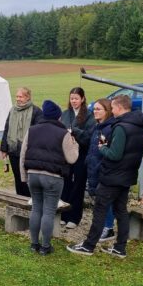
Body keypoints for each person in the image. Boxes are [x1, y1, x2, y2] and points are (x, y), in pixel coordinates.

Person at [67, 95, 143, 259]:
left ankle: (88, 246)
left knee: (99, 211)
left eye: (113, 107)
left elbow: (115, 154)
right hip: (127, 175)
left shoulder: (121, 127)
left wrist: (103, 147)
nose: (112, 110)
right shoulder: (139, 127)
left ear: (119, 107)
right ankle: (120, 248)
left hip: (112, 176)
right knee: (121, 212)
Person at [20, 100, 79, 256]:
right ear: (58, 117)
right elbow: (72, 158)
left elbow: (23, 154)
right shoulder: (64, 133)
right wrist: (75, 145)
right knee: (49, 211)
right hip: (53, 177)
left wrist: (24, 176)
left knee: (36, 208)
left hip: (33, 174)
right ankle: (45, 246)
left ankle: (34, 243)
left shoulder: (32, 130)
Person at [59, 87, 96, 229]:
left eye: (76, 98)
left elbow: (89, 136)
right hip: (66, 154)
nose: (73, 101)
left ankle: (75, 217)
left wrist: (74, 131)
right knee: (65, 184)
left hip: (82, 155)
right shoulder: (65, 114)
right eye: (71, 98)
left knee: (78, 185)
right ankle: (63, 214)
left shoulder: (89, 115)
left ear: (82, 99)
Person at [0, 87, 43, 197]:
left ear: (27, 97)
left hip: (28, 152)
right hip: (13, 150)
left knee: (27, 178)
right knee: (18, 177)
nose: (18, 99)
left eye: (20, 96)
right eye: (17, 96)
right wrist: (4, 148)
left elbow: (38, 132)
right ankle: (19, 199)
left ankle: (30, 201)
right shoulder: (12, 110)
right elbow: (7, 129)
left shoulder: (36, 111)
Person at [85, 98, 117, 242]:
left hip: (103, 170)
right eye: (94, 109)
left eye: (99, 109)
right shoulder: (97, 127)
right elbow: (93, 148)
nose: (95, 111)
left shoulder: (109, 129)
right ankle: (101, 226)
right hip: (93, 167)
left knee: (105, 201)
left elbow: (108, 152)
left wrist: (100, 167)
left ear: (107, 111)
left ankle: (108, 228)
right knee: (99, 200)